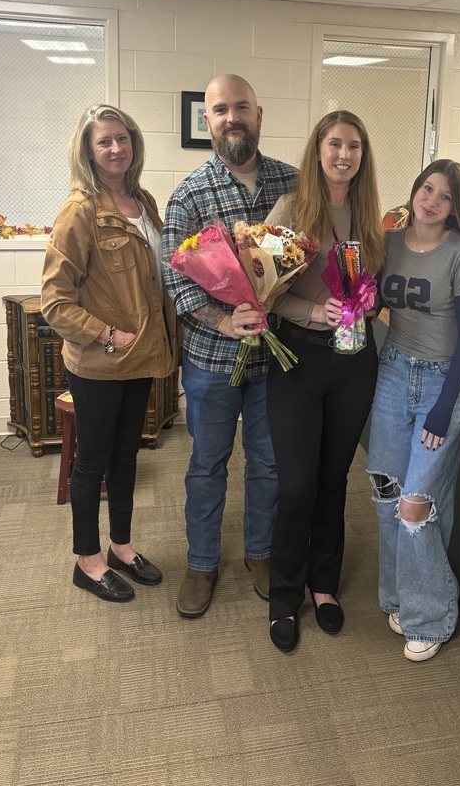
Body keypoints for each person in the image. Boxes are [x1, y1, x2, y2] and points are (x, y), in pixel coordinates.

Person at [162, 74, 297, 619]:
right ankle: (201, 561)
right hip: (211, 362)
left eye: (241, 107)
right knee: (207, 464)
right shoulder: (189, 194)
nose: (232, 117)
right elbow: (177, 280)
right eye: (221, 110)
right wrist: (224, 319)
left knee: (268, 464)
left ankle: (260, 553)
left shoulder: (292, 184)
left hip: (277, 358)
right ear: (209, 121)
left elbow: (302, 260)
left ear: (259, 114)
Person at [41, 105, 176, 602]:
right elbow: (55, 301)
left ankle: (121, 545)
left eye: (123, 138)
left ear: (134, 144)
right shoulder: (79, 211)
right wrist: (105, 336)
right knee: (91, 462)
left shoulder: (143, 200)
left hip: (141, 357)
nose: (116, 148)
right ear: (88, 150)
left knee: (126, 456)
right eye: (104, 141)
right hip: (100, 362)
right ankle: (87, 560)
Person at [264, 111, 386, 652]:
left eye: (354, 146)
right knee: (295, 487)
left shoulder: (369, 215)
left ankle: (324, 587)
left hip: (354, 361)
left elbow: (375, 289)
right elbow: (263, 293)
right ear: (317, 150)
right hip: (298, 359)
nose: (344, 155)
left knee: (333, 480)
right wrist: (317, 312)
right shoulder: (291, 210)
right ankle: (284, 596)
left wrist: (367, 301)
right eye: (334, 144)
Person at [367, 159, 460, 662]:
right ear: (414, 190)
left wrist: (442, 410)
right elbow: (367, 302)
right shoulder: (388, 242)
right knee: (386, 492)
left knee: (417, 504)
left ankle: (432, 615)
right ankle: (398, 595)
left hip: (441, 382)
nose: (431, 199)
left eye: (445, 196)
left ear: (455, 208)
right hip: (393, 372)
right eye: (426, 188)